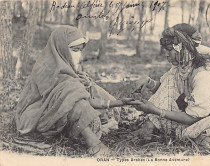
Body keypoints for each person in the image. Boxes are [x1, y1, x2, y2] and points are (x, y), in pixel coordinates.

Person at [130, 23, 210, 155]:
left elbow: (194, 117)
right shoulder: (183, 64)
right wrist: (149, 82)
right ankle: (152, 127)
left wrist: (156, 111)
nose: (166, 55)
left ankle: (169, 131)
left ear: (183, 49)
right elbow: (167, 90)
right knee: (170, 79)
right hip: (197, 115)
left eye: (170, 50)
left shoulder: (205, 73)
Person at [15, 25, 133, 155]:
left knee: (87, 87)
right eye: (74, 50)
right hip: (40, 111)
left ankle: (109, 118)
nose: (78, 55)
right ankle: (95, 145)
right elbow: (56, 94)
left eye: (79, 50)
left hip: (63, 107)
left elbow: (81, 93)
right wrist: (75, 88)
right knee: (72, 93)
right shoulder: (44, 67)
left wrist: (117, 102)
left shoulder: (66, 65)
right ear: (61, 48)